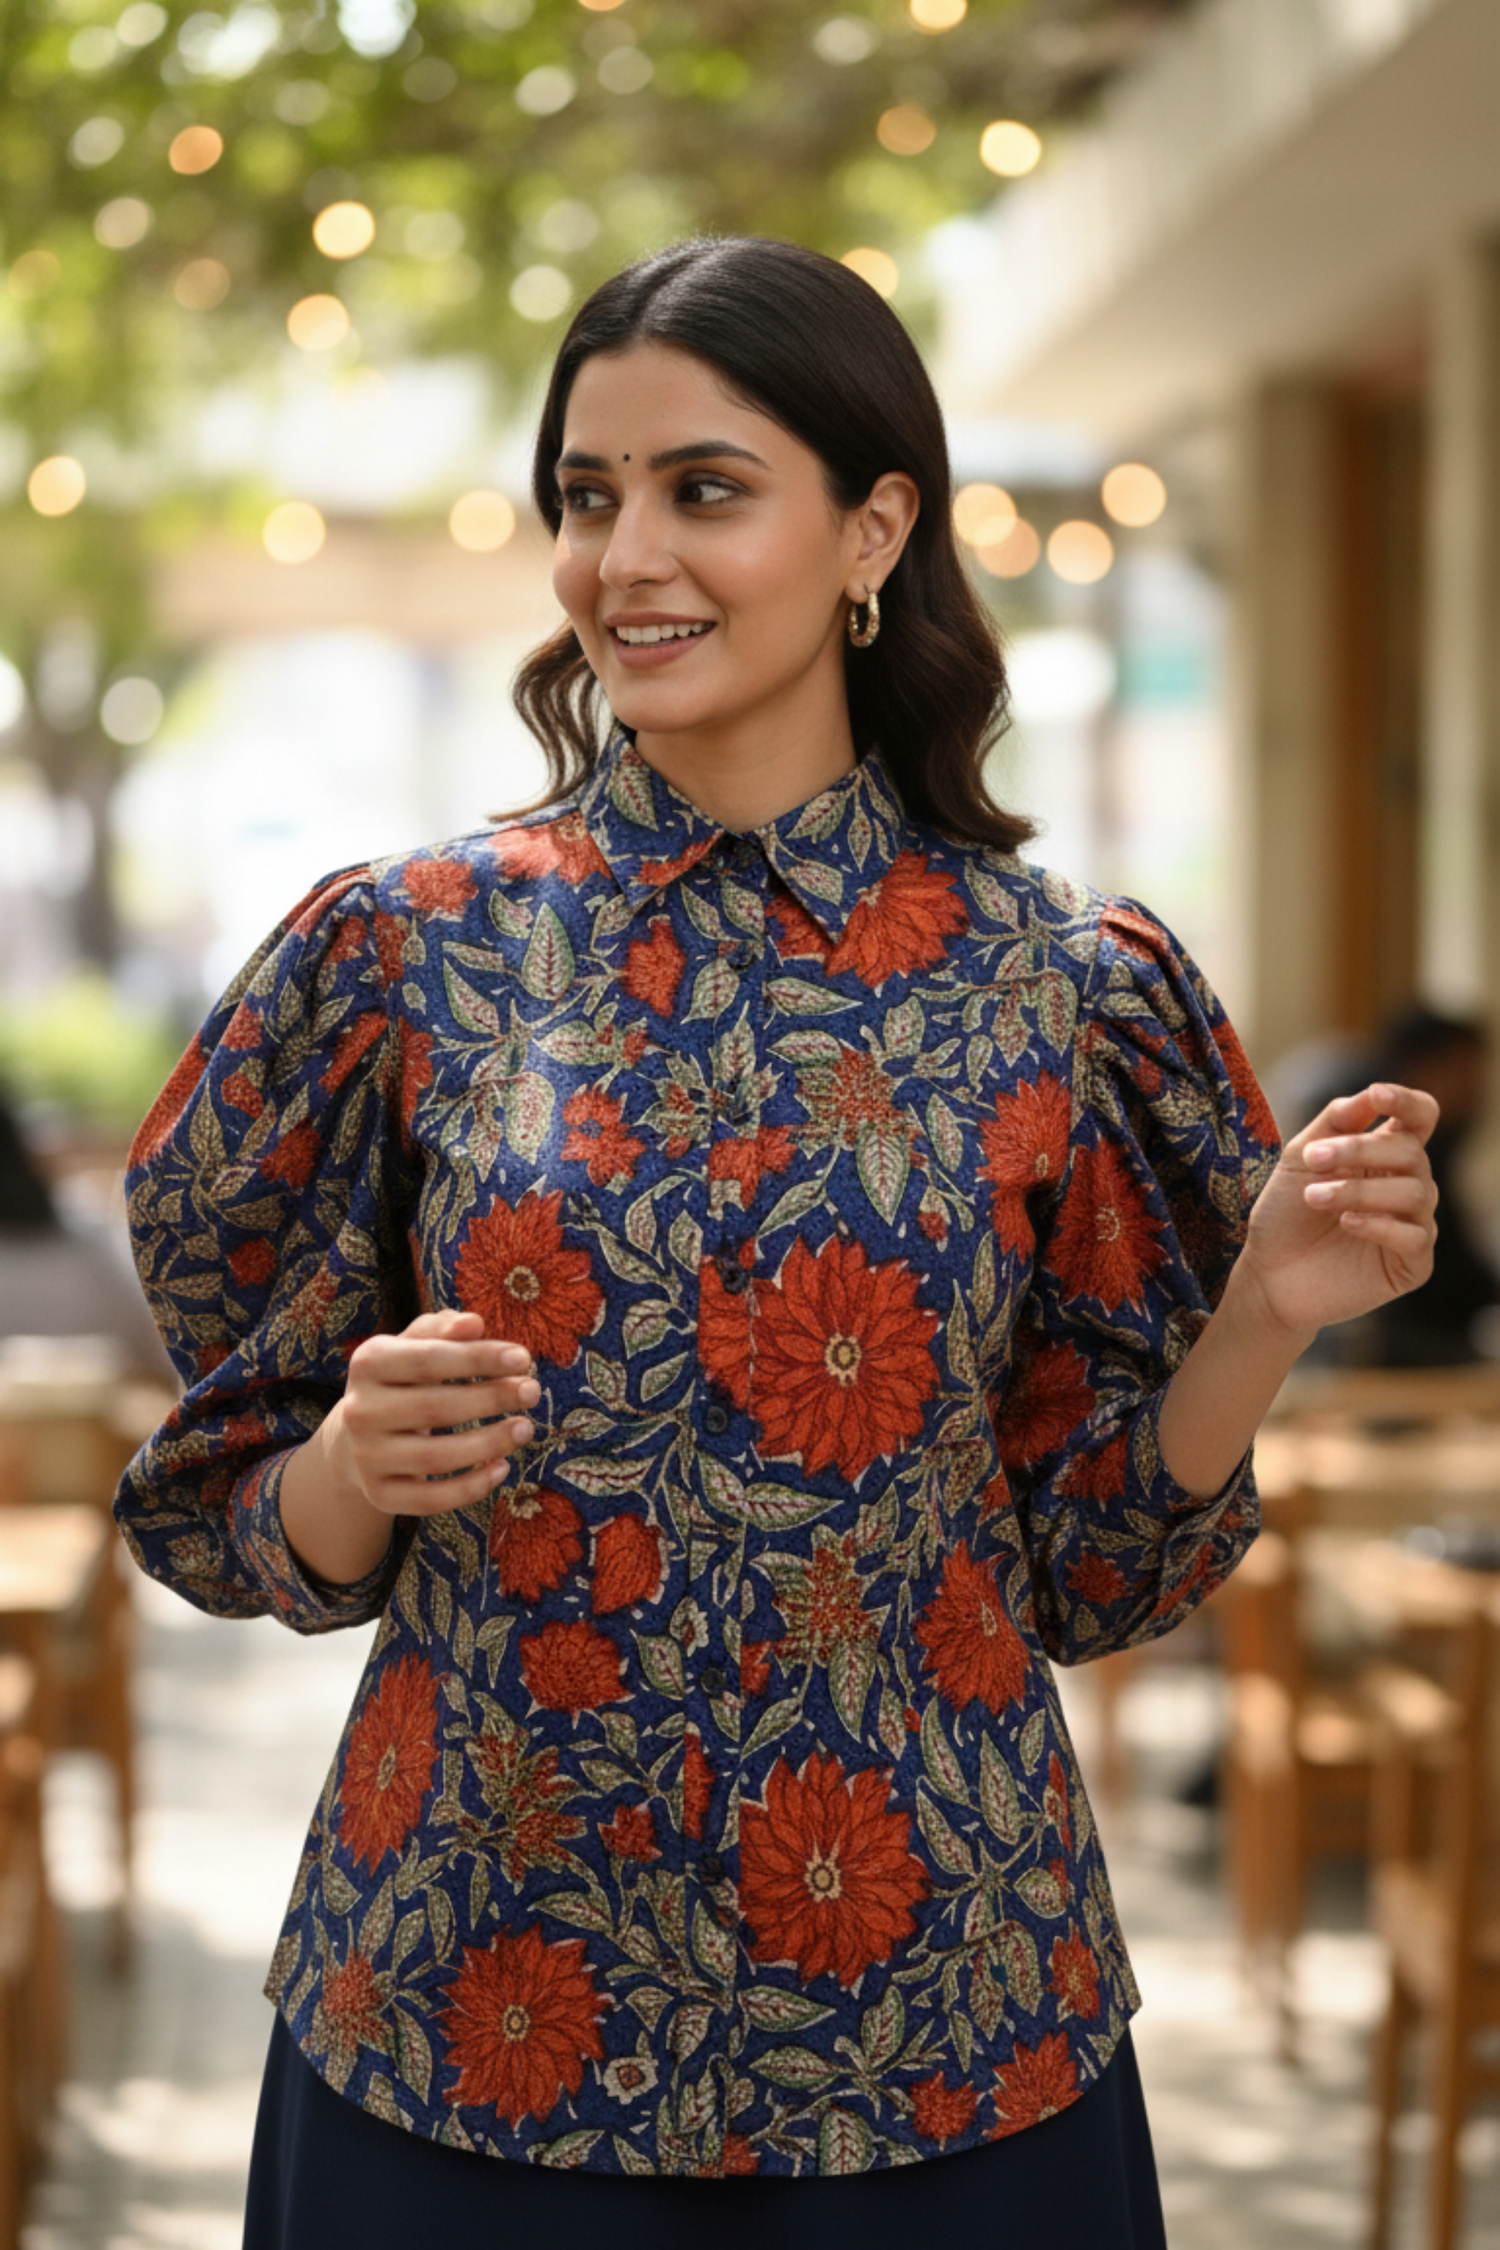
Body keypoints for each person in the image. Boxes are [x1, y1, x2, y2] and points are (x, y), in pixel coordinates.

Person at [113, 238, 1438, 2249]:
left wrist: (1262, 1315)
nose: (623, 554)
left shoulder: (1061, 990)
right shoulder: (408, 954)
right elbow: (233, 1502)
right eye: (586, 494)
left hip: (951, 2026)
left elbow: (1090, 1562)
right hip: (469, 2008)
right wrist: (350, 1467)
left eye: (702, 488)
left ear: (872, 527)